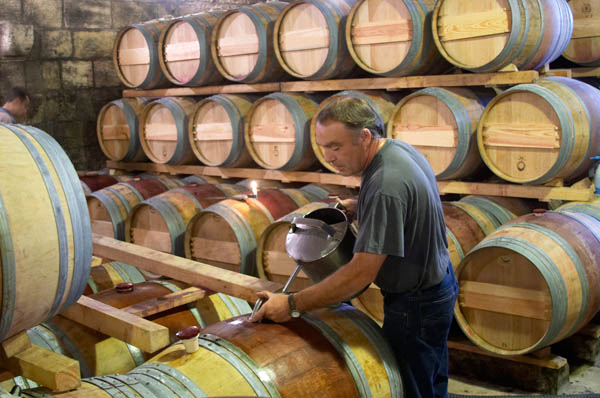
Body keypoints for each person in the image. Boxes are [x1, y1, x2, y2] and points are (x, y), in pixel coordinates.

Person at [250, 96, 458, 398]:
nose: (328, 156)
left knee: (413, 389)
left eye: (336, 146)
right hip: (437, 285)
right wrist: (362, 206)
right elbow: (408, 200)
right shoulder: (397, 151)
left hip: (416, 306)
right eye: (323, 146)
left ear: (364, 137)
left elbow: (360, 274)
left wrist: (292, 304)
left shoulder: (387, 183)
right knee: (431, 380)